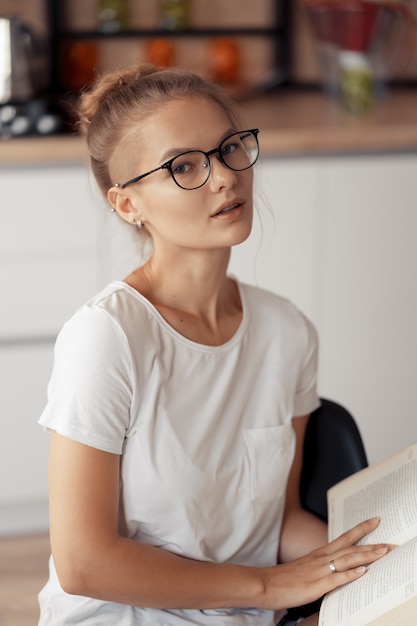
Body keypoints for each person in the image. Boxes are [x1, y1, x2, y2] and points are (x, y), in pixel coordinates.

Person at [38, 64, 391, 626]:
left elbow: (279, 521)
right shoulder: (107, 337)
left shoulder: (287, 332)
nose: (224, 177)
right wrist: (270, 587)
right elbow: (84, 563)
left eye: (229, 149)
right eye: (184, 166)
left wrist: (375, 563)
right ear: (127, 204)